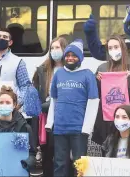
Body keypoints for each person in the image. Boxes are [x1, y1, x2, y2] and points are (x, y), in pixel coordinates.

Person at [45, 39, 99, 176]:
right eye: (67, 55)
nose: (70, 58)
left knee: (80, 164)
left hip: (79, 129)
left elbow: (93, 102)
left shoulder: (88, 75)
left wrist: (87, 128)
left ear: (80, 57)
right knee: (59, 163)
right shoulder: (59, 74)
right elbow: (54, 100)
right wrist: (50, 122)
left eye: (73, 55)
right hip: (60, 128)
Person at [93, 34, 130, 147]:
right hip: (106, 122)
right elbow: (97, 95)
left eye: (116, 47)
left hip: (127, 121)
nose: (113, 50)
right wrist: (97, 81)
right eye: (110, 48)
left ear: (123, 48)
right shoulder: (102, 68)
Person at [32, 36, 68, 177]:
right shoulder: (42, 70)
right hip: (45, 119)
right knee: (47, 154)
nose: (54, 51)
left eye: (57, 47)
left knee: (62, 155)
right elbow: (34, 93)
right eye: (52, 48)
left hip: (64, 118)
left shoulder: (70, 70)